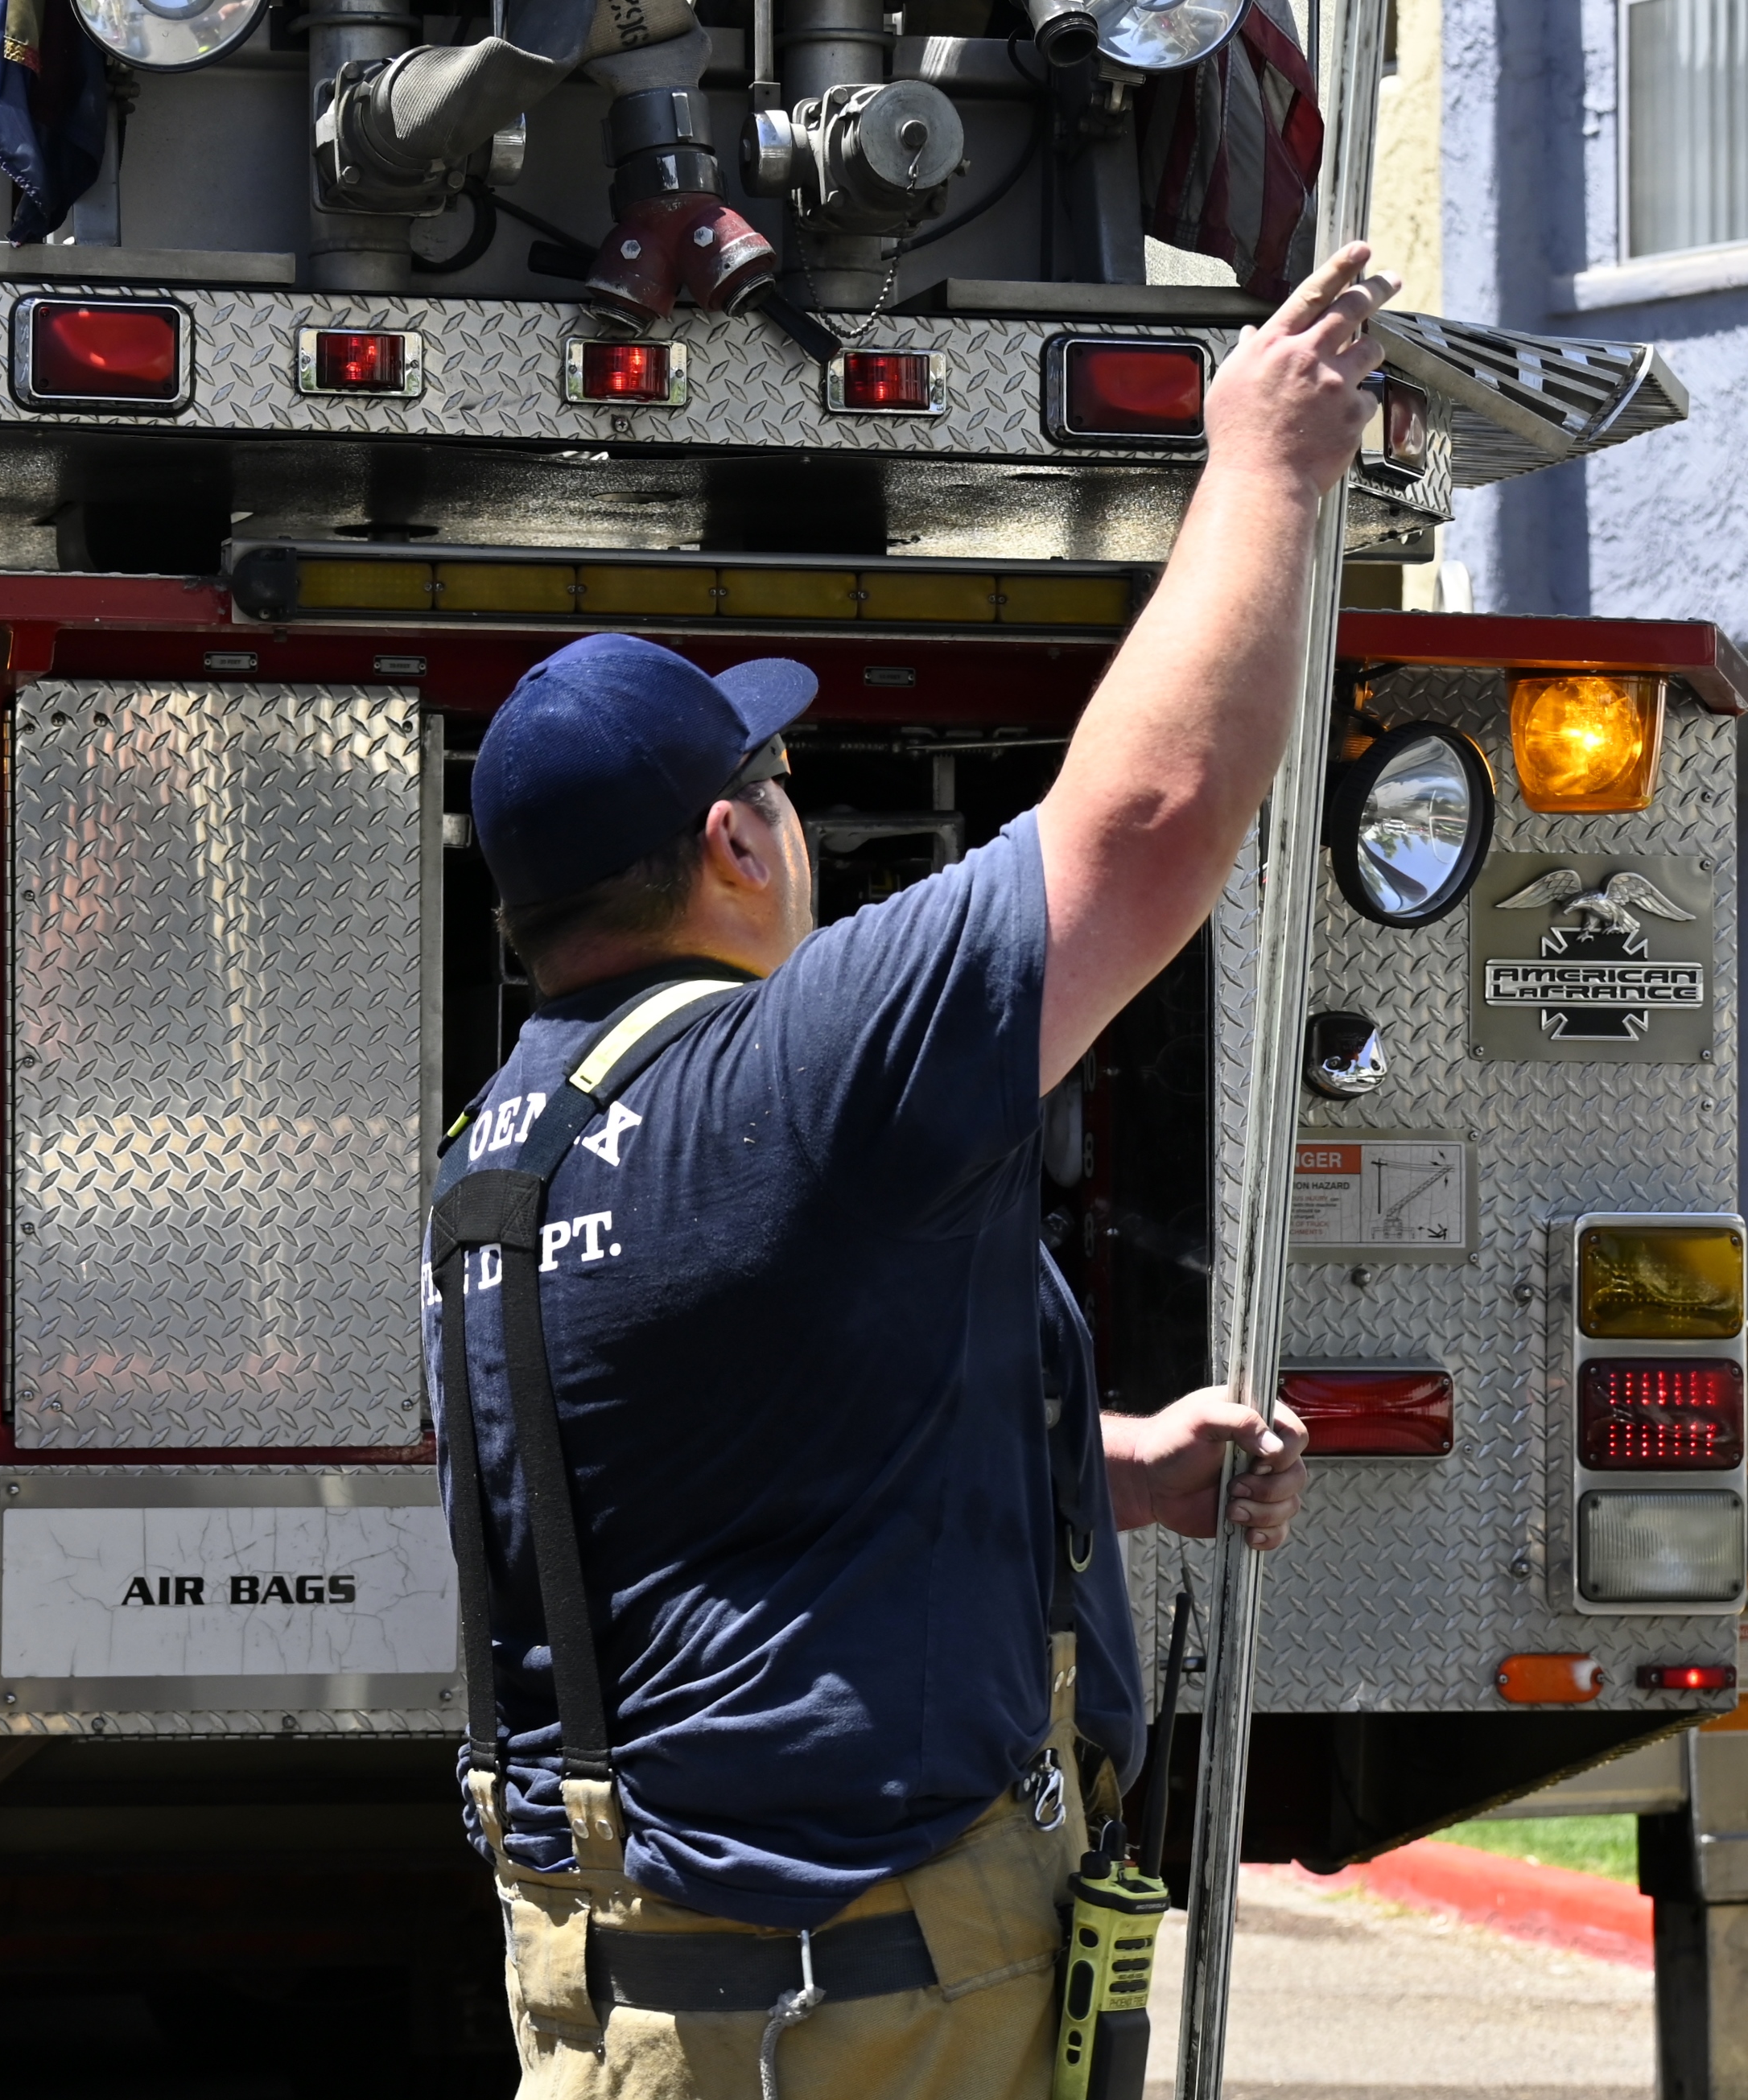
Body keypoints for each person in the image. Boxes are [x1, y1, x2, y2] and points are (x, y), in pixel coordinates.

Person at [424, 242, 1396, 2100]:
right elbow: (1148, 818)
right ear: (733, 843)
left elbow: (725, 1468)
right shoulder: (783, 1076)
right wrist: (1264, 464)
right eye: (782, 787)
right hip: (861, 2008)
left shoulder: (496, 1163)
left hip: (643, 2002)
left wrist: (1110, 1472)